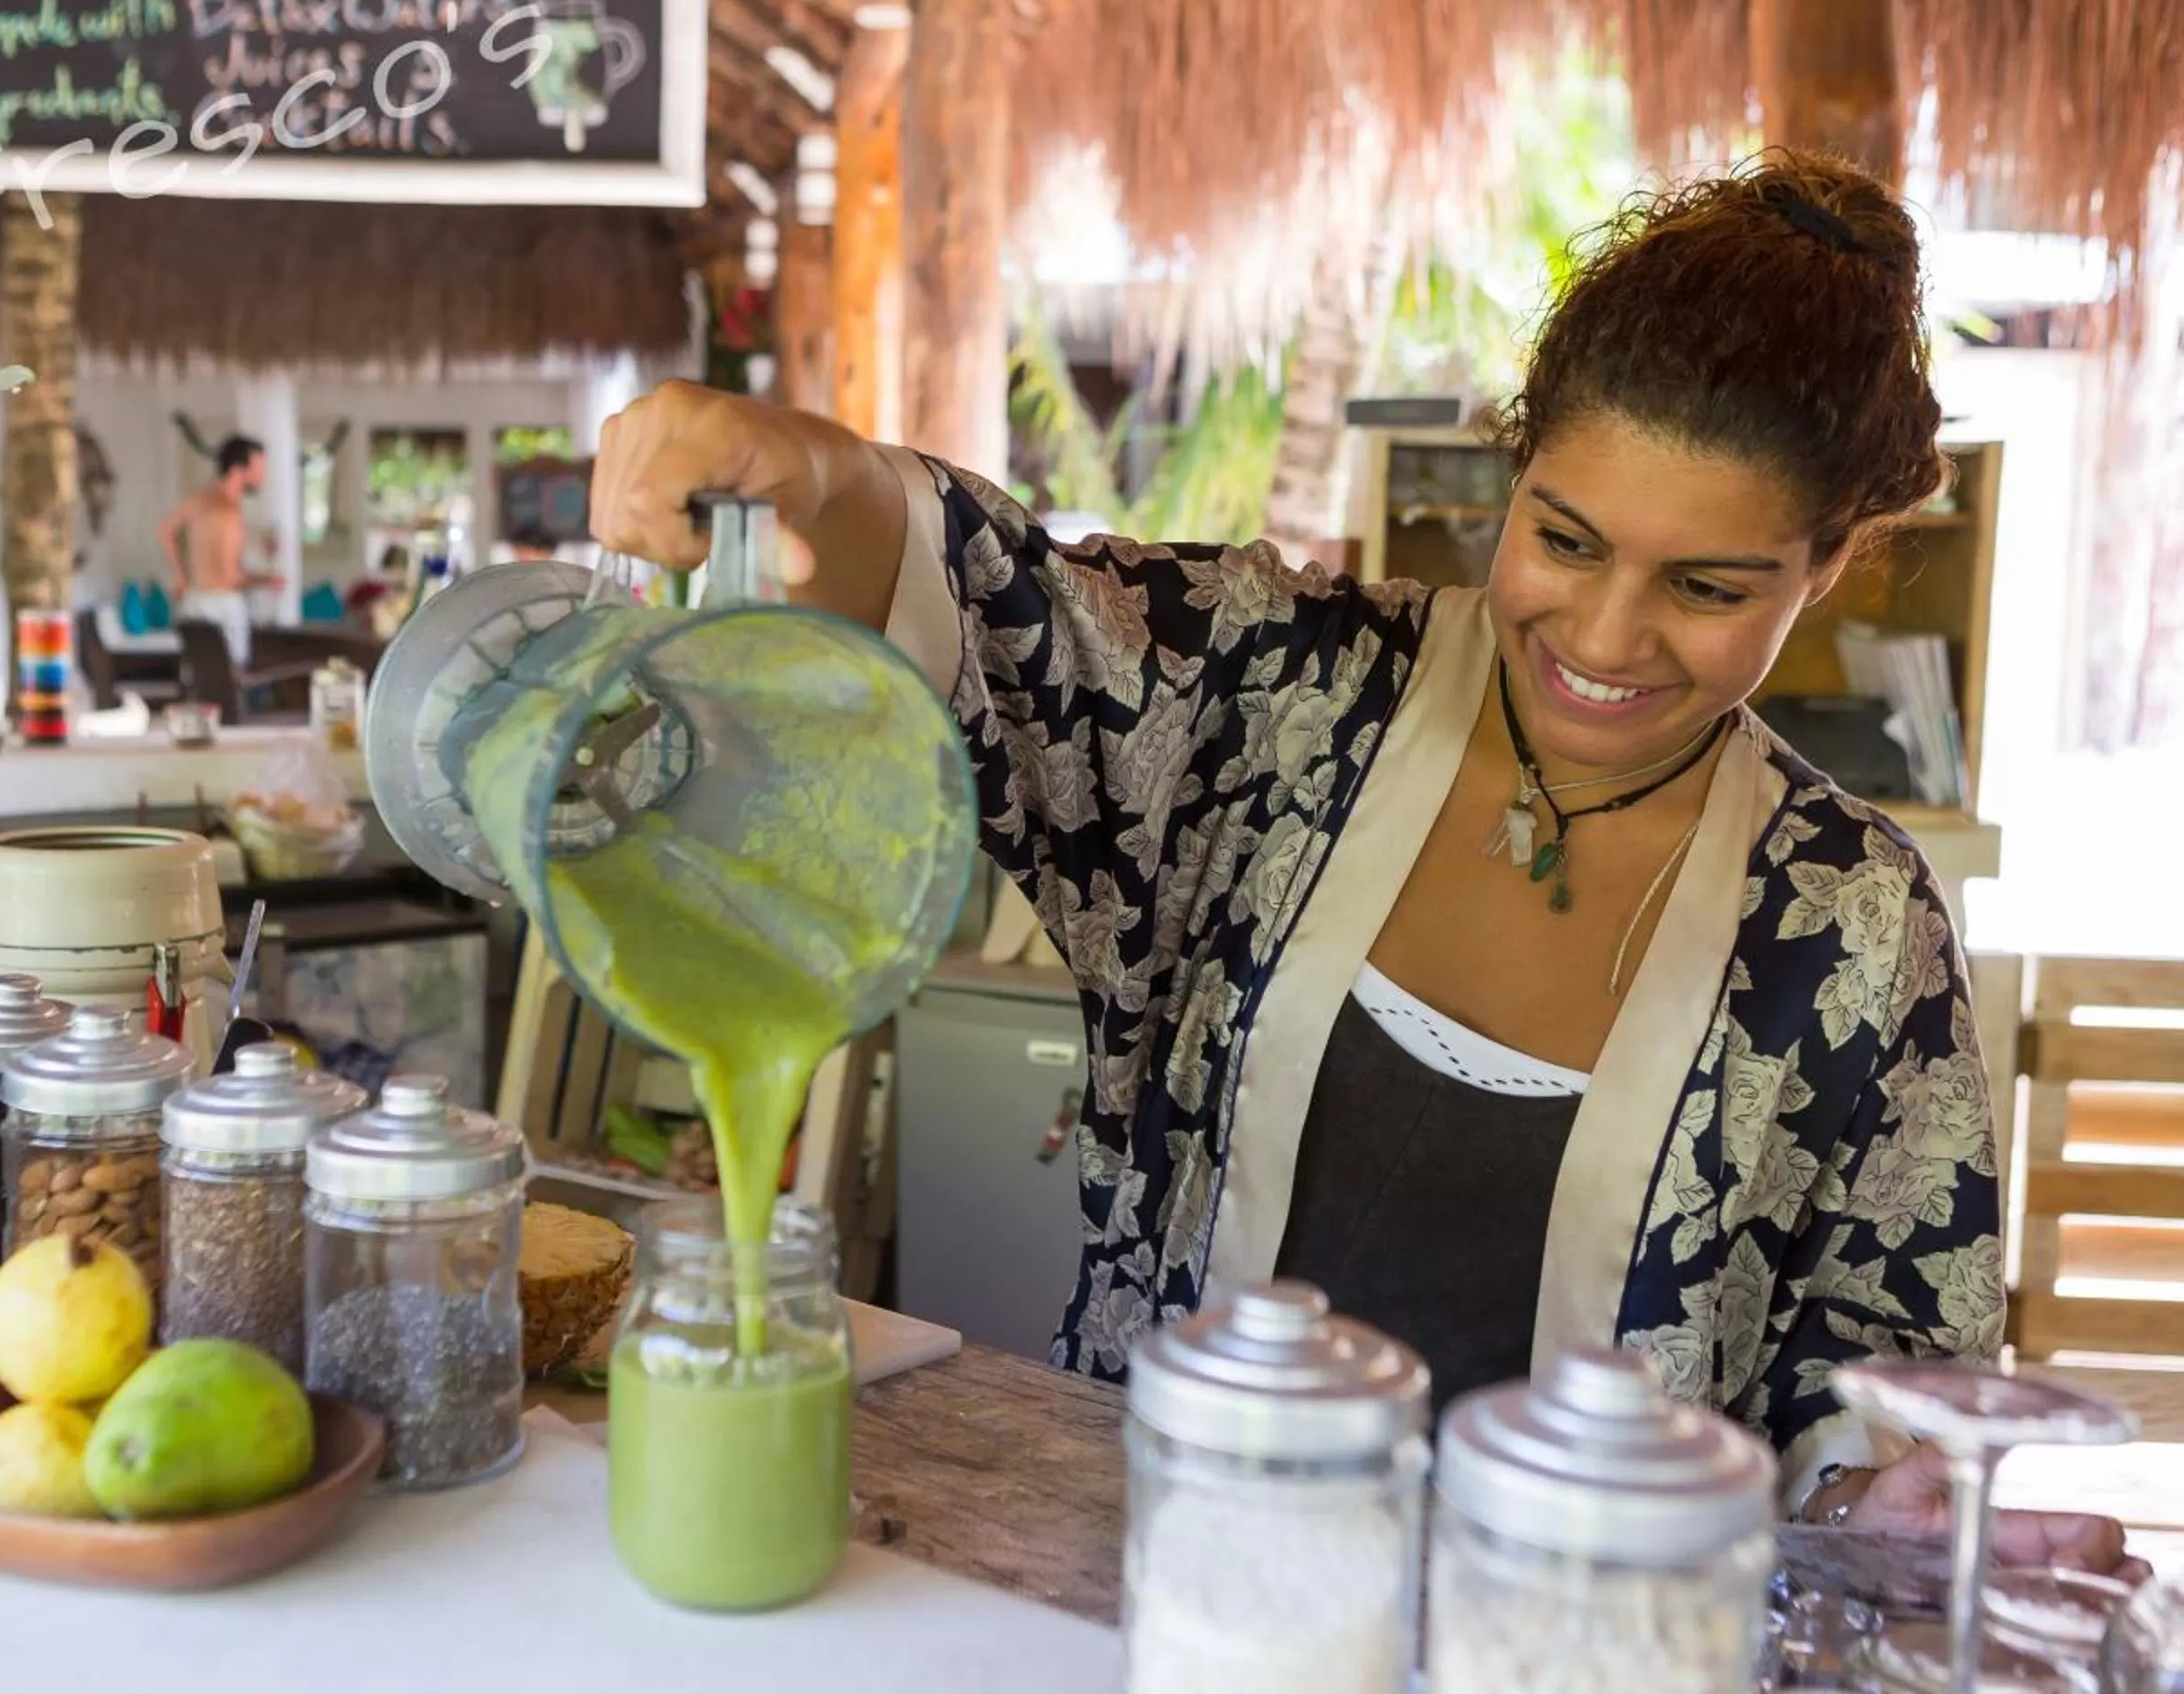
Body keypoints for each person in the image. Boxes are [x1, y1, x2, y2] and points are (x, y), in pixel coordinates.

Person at [590, 152, 2138, 1574]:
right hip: (1155, 1604)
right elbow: (988, 601)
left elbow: (1876, 1415)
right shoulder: (1279, 694)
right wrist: (797, 468)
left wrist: (1911, 1511)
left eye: (1710, 586)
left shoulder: (1852, 927)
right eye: (1567, 539)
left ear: (1831, 563)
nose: (1604, 638)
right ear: (1512, 470)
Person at [161, 435, 283, 663]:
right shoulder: (228, 514)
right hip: (222, 606)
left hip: (193, 603)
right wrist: (267, 580)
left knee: (197, 679)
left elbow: (165, 531)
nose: (263, 475)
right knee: (228, 682)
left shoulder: (199, 500)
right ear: (238, 470)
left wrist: (180, 577)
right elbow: (230, 577)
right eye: (259, 468)